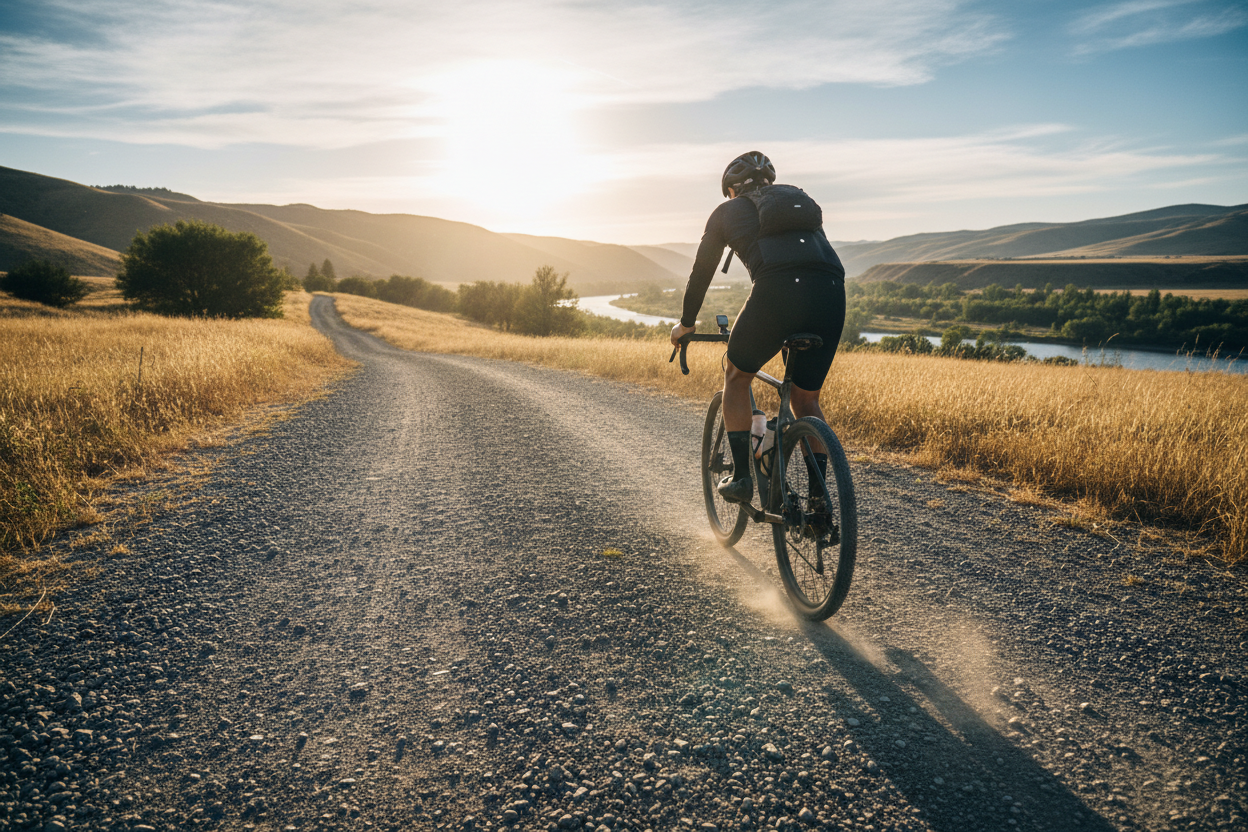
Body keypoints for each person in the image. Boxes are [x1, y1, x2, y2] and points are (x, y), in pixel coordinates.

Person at [670, 151, 846, 504]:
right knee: (806, 399)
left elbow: (701, 272)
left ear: (733, 189)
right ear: (769, 184)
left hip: (777, 292)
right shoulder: (800, 204)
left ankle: (742, 478)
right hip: (831, 293)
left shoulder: (726, 212)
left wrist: (686, 324)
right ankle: (818, 499)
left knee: (737, 376)